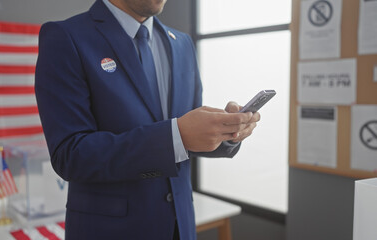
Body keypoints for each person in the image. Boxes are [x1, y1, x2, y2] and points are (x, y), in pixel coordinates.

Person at [35, 0, 260, 239]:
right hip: (111, 231)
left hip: (180, 227)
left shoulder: (182, 44)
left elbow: (188, 139)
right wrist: (177, 136)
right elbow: (70, 155)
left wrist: (226, 132)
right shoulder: (66, 37)